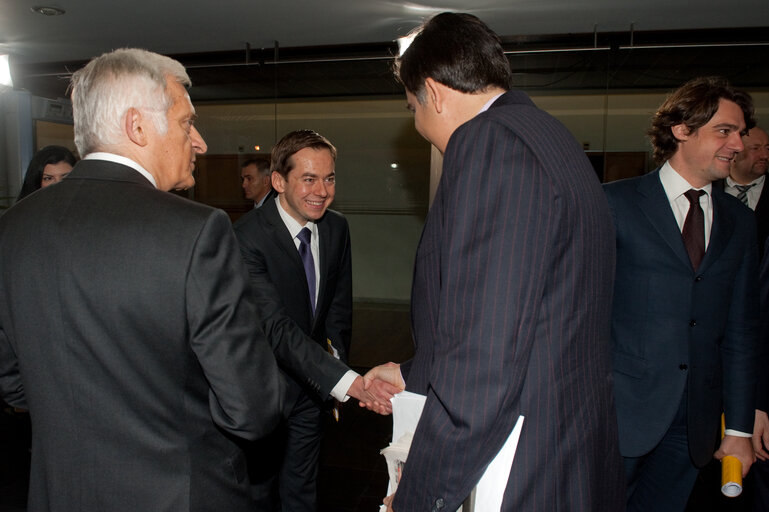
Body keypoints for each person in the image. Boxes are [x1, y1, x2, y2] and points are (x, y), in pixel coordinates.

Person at [0, 48, 284, 512]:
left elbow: (12, 381)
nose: (200, 143)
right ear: (137, 126)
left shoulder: (12, 229)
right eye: (187, 123)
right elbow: (252, 410)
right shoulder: (197, 231)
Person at [371, 12, 624, 511]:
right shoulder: (546, 134)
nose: (417, 123)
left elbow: (482, 366)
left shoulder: (491, 145)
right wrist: (414, 372)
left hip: (519, 457)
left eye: (411, 107)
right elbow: (534, 313)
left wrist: (423, 491)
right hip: (565, 441)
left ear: (434, 93)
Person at [604, 76, 759, 511]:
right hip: (618, 416)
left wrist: (740, 431)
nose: (738, 144)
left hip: (694, 427)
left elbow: (743, 331)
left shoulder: (740, 223)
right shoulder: (613, 204)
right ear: (681, 130)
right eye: (724, 131)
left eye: (741, 133)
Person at [233, 129, 401, 511]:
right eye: (308, 179)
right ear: (278, 182)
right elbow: (275, 329)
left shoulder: (336, 228)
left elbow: (338, 312)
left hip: (314, 390)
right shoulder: (246, 238)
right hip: (265, 392)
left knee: (302, 489)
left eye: (329, 178)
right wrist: (350, 384)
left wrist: (334, 370)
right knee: (259, 494)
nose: (322, 191)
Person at [725, 126, 769, 257]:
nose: (765, 155)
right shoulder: (708, 190)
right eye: (755, 148)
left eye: (767, 148)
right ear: (734, 152)